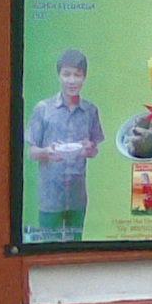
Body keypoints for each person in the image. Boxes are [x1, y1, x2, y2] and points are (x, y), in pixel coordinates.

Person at [26, 48, 103, 242]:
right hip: (50, 196)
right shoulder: (43, 109)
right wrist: (46, 152)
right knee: (47, 247)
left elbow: (94, 150)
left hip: (77, 196)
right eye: (66, 74)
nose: (72, 81)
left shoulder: (90, 111)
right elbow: (32, 152)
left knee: (74, 248)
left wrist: (90, 148)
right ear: (59, 76)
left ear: (84, 78)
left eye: (77, 75)